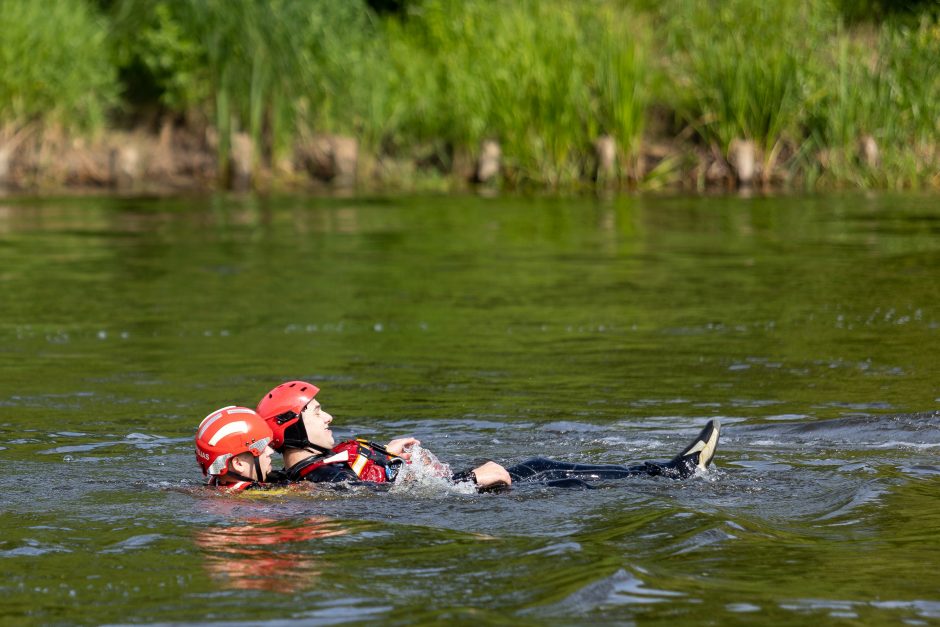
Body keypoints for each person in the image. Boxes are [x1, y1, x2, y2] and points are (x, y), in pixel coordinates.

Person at [255, 381, 721, 491]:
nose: (329, 415)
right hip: (465, 492)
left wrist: (385, 450)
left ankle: (664, 470)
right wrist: (472, 483)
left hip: (457, 484)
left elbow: (374, 475)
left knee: (540, 466)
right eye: (317, 412)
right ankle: (672, 474)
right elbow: (390, 501)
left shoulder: (320, 464)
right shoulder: (323, 479)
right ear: (292, 426)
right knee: (557, 482)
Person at [195, 405, 278, 492]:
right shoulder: (254, 494)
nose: (271, 451)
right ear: (238, 464)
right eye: (261, 447)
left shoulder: (214, 485)